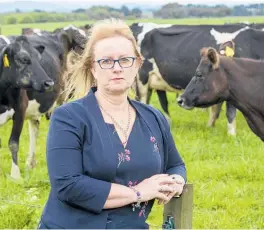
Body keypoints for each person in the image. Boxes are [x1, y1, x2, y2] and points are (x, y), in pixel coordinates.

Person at [38, 18, 187, 229]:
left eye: (125, 60)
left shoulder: (154, 117)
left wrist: (175, 181)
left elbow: (175, 164)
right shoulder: (68, 117)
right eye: (106, 61)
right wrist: (139, 193)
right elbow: (68, 185)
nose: (117, 68)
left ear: (137, 64)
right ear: (93, 68)